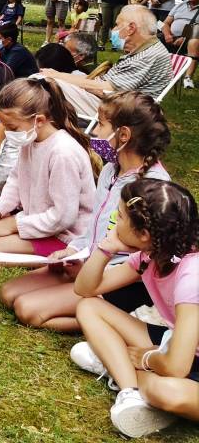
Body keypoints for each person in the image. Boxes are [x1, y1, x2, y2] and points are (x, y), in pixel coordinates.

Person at [0, 91, 170, 333]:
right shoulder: (112, 170)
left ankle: (118, 321)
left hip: (117, 280)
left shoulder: (154, 188)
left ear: (124, 135)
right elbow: (93, 226)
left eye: (100, 124)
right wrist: (72, 251)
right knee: (8, 294)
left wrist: (95, 267)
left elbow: (146, 258)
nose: (95, 132)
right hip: (84, 262)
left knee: (28, 310)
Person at [72, 178, 199, 439]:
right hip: (179, 346)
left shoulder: (192, 275)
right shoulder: (151, 255)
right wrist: (105, 249)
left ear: (144, 234)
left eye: (119, 217)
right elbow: (85, 290)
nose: (114, 223)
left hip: (181, 358)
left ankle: (117, 364)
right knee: (89, 307)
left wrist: (145, 358)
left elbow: (176, 367)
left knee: (167, 393)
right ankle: (130, 393)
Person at [0, 76, 96, 260]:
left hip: (65, 236)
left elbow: (64, 217)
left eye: (12, 127)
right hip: (36, 221)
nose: (8, 134)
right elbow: (15, 180)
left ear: (39, 121)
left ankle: (60, 261)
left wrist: (12, 225)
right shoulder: (30, 140)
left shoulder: (63, 152)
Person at [41, 5, 173, 120]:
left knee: (42, 81)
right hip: (112, 101)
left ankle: (34, 129)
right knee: (53, 79)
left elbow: (106, 90)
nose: (113, 30)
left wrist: (57, 76)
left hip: (115, 112)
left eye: (117, 25)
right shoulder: (147, 50)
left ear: (131, 28)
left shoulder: (148, 56)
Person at [160, 0, 199, 89]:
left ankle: (188, 78)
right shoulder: (180, 5)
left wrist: (185, 38)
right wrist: (167, 35)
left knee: (194, 42)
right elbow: (165, 23)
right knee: (150, 38)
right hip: (171, 36)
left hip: (192, 37)